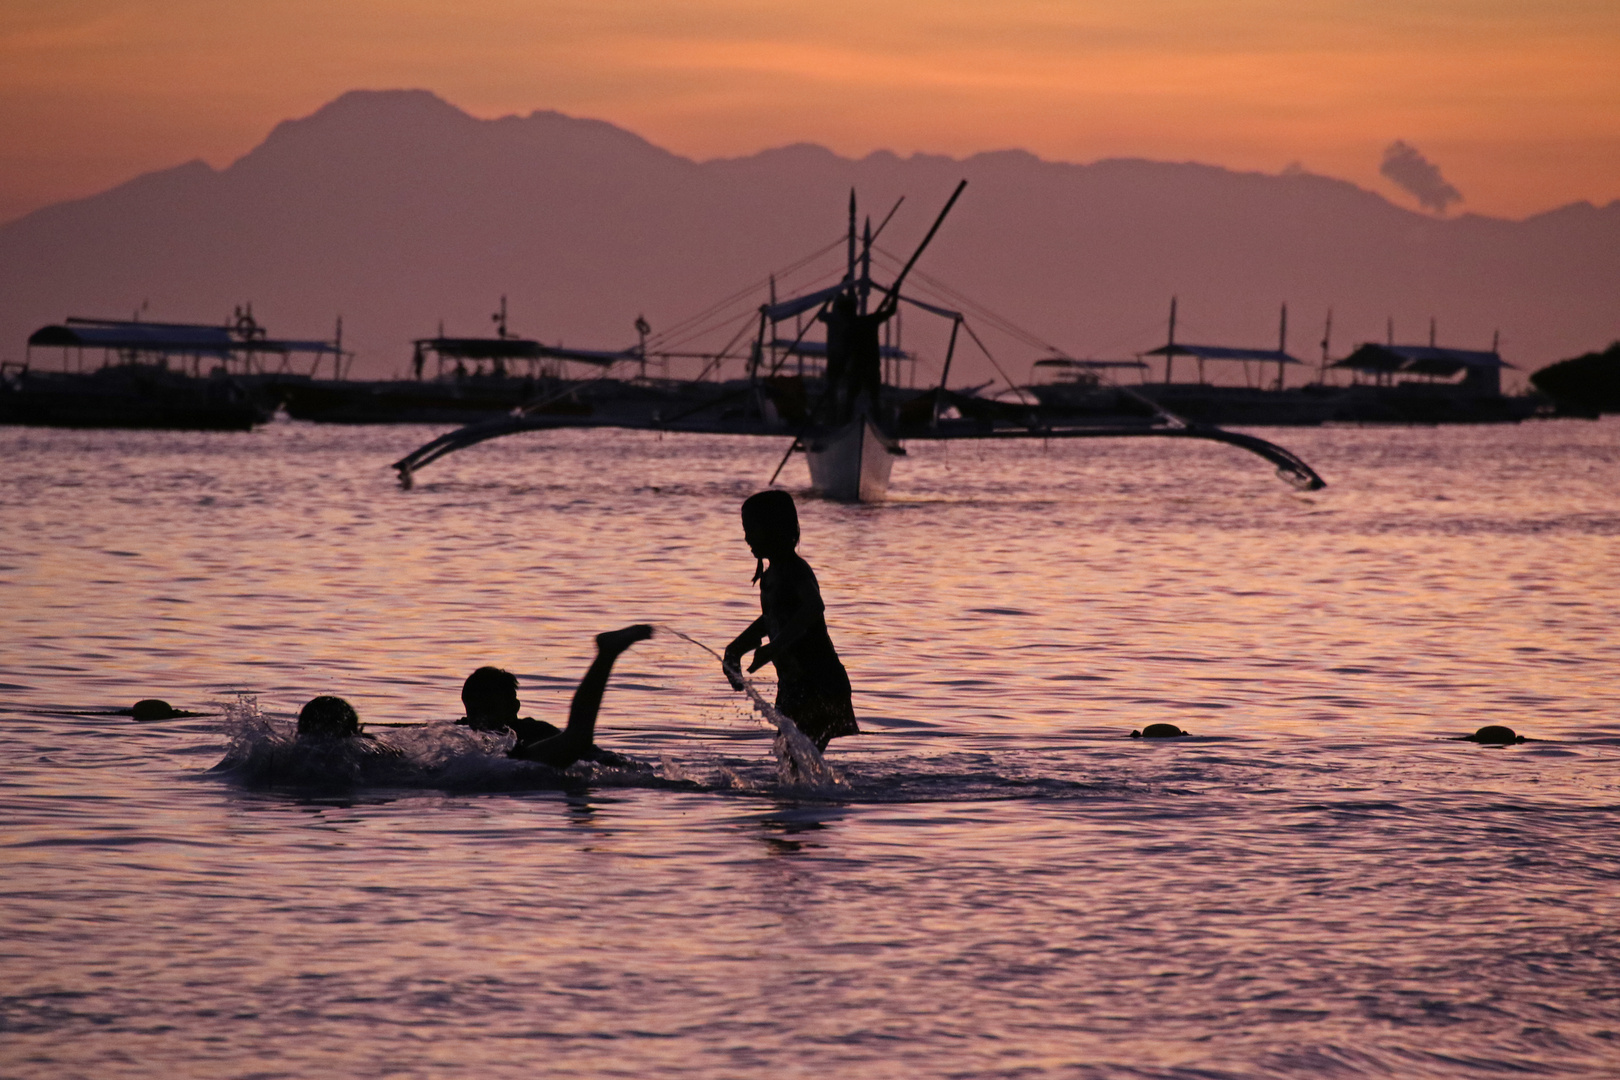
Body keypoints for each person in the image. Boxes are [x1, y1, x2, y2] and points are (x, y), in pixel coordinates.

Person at [723, 491, 858, 751]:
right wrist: (737, 648)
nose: (747, 537)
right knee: (789, 760)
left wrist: (775, 647)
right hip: (794, 686)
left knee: (794, 759)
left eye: (752, 529)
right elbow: (771, 618)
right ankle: (822, 791)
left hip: (819, 684)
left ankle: (825, 792)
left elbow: (813, 607)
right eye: (745, 529)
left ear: (775, 529)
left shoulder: (795, 570)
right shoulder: (772, 575)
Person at [457, 624, 652, 768]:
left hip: (538, 757)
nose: (481, 718)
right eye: (474, 711)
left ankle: (607, 653)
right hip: (538, 762)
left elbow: (582, 751)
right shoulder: (466, 731)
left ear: (514, 707)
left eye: (490, 710)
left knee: (578, 738)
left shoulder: (526, 730)